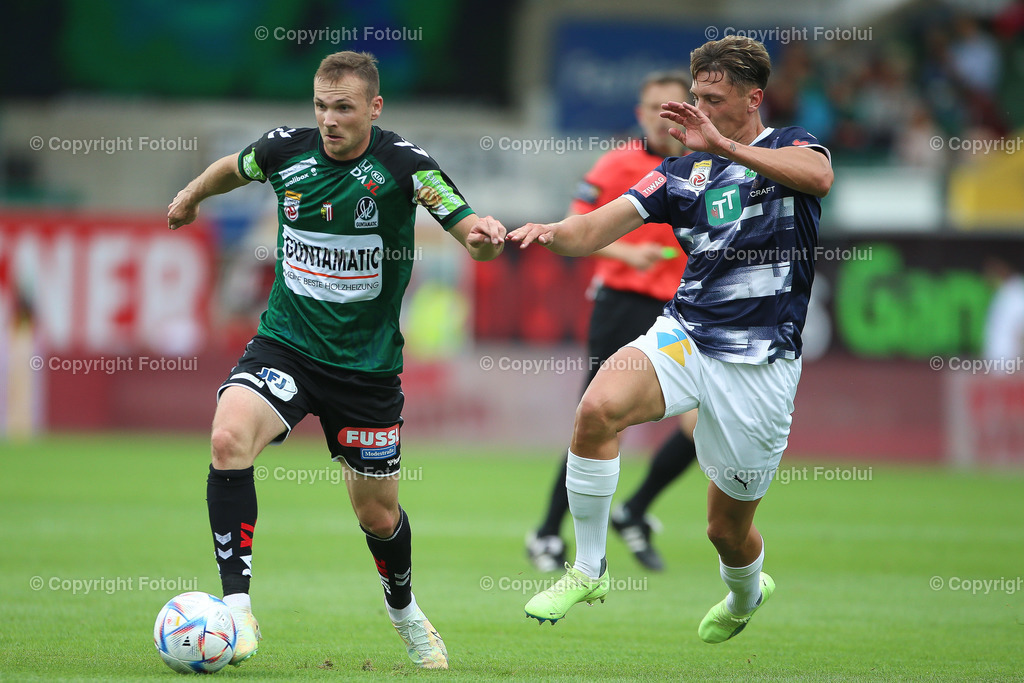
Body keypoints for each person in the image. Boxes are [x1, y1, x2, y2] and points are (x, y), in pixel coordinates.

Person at [166, 51, 506, 669]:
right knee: (227, 438)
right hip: (286, 345)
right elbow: (228, 171)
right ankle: (237, 611)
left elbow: (466, 228)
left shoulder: (406, 165)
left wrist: (481, 238)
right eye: (321, 106)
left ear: (374, 108)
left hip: (366, 370)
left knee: (376, 514)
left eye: (343, 107)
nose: (329, 119)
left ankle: (403, 611)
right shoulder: (282, 151)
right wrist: (192, 195)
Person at [508, 36, 833, 642]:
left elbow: (820, 177)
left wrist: (727, 147)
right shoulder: (682, 173)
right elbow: (596, 228)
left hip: (760, 361)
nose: (699, 109)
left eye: (713, 98)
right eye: (697, 97)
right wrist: (549, 232)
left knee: (725, 531)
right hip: (686, 332)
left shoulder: (791, 146)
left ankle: (744, 594)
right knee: (597, 410)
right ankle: (588, 567)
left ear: (752, 98)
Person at [526, 70, 698, 574]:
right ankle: (546, 534)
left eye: (673, 107)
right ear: (639, 114)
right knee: (598, 422)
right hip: (623, 303)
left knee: (702, 427)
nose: (662, 117)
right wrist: (632, 253)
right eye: (653, 108)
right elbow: (576, 223)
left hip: (680, 311)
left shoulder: (703, 168)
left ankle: (635, 510)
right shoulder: (619, 162)